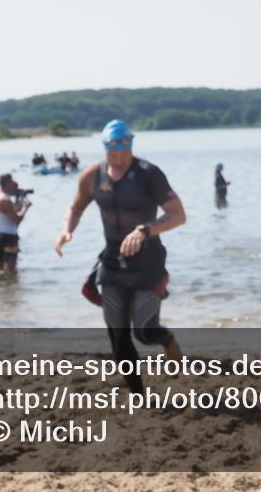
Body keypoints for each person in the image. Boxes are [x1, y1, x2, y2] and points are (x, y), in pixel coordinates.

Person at [54, 120, 186, 392]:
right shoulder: (93, 175)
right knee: (117, 331)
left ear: (131, 146)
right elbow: (75, 207)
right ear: (105, 148)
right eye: (113, 153)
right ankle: (139, 394)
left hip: (147, 260)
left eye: (125, 153)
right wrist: (66, 230)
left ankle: (168, 340)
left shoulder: (149, 173)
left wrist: (146, 229)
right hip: (112, 261)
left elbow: (178, 215)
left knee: (144, 331)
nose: (119, 159)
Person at [0, 174, 32, 276]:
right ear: (8, 184)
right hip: (9, 237)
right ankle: (9, 289)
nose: (14, 185)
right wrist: (25, 208)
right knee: (10, 270)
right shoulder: (5, 200)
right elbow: (17, 220)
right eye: (12, 183)